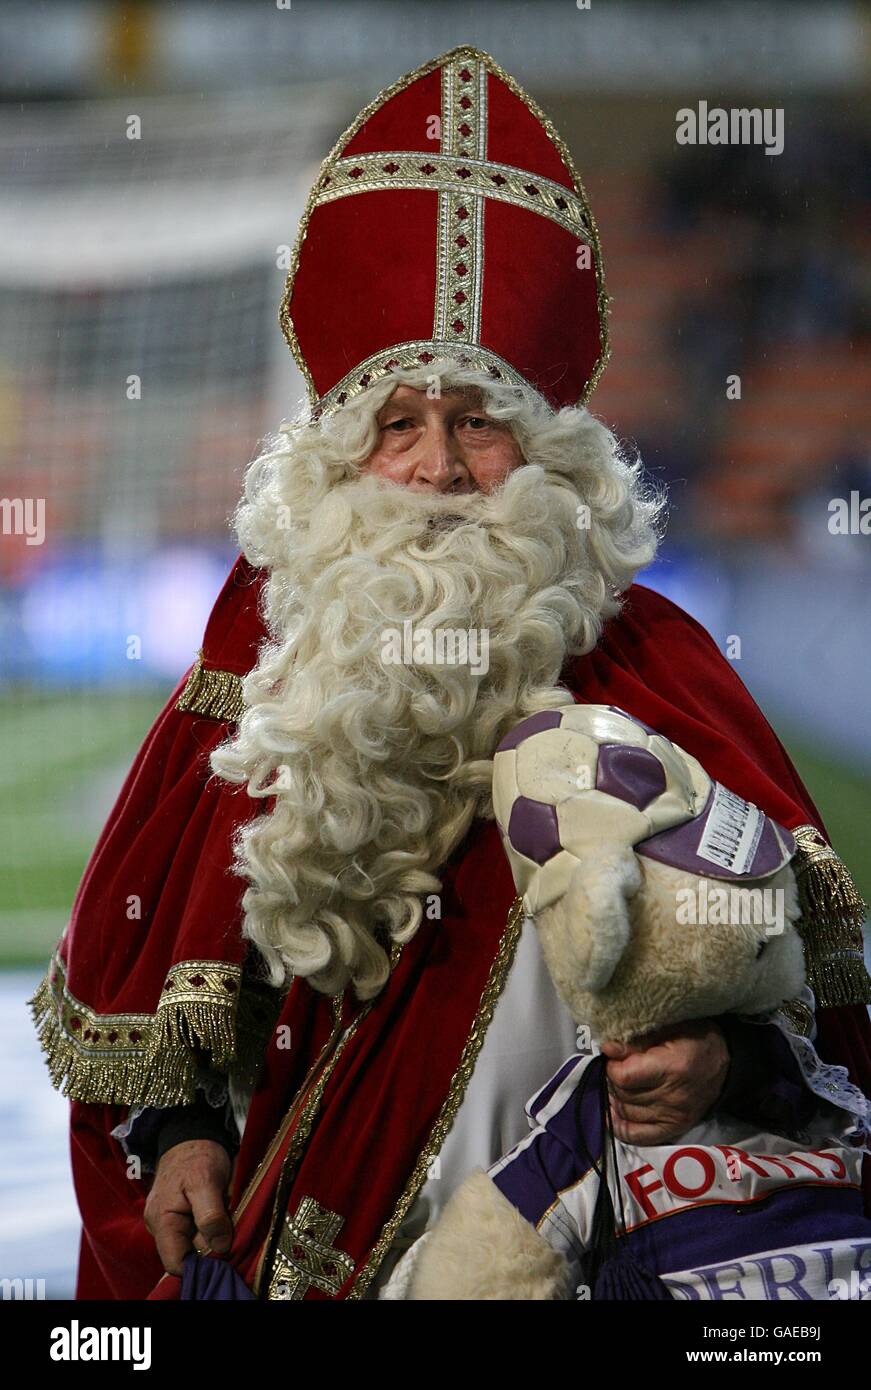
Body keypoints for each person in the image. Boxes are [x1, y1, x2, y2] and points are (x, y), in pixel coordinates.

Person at [30, 45, 870, 1302]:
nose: (435, 467)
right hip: (291, 1235)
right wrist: (176, 1134)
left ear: (544, 450)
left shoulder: (656, 659)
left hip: (590, 1239)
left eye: (478, 421)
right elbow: (165, 987)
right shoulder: (260, 646)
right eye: (397, 424)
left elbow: (796, 995)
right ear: (341, 448)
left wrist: (719, 1057)